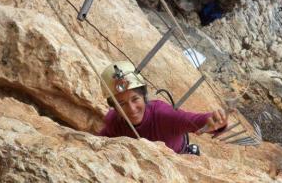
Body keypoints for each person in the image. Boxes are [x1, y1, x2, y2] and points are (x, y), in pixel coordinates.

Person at [98, 61, 229, 155]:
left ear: (144, 96)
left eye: (135, 99)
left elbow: (194, 120)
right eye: (121, 104)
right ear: (114, 107)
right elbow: (101, 140)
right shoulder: (114, 121)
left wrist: (216, 121)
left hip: (176, 155)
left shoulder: (163, 115)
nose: (132, 109)